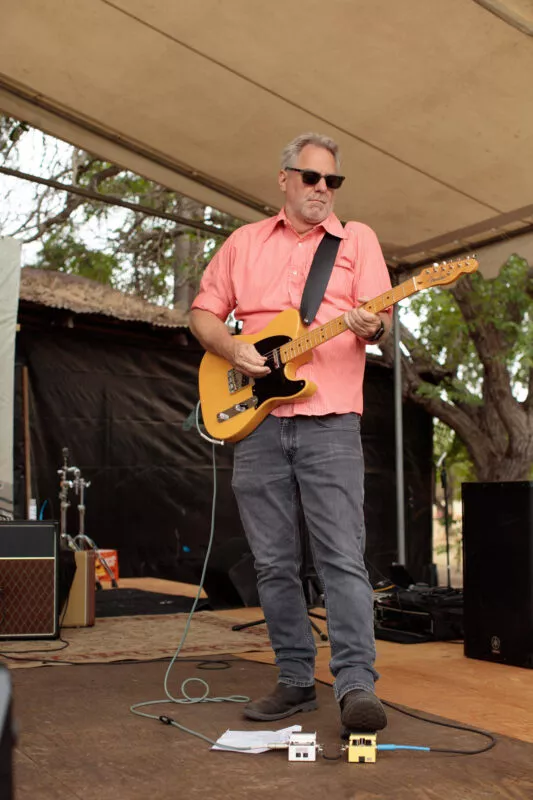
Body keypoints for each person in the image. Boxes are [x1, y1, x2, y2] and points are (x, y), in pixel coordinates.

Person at [189, 132, 392, 732]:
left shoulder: (359, 241)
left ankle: (356, 685)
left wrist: (371, 323)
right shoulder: (243, 243)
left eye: (333, 182)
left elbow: (380, 319)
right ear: (284, 179)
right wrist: (232, 347)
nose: (322, 190)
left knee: (341, 560)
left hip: (331, 420)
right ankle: (297, 679)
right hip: (256, 422)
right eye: (311, 178)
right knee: (274, 562)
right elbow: (203, 311)